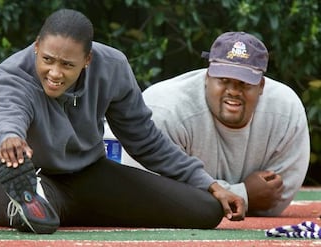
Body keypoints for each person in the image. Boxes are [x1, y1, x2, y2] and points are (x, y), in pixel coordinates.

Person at [0, 9, 245, 234]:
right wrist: (9, 137)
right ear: (36, 47)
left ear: (87, 60)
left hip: (89, 176)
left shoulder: (112, 67)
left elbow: (146, 140)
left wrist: (209, 184)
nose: (54, 72)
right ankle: (32, 197)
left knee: (206, 210)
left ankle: (54, 210)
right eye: (47, 60)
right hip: (24, 173)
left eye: (67, 65)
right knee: (31, 208)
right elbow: (7, 113)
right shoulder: (13, 73)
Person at [124, 31, 310, 217]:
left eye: (245, 83)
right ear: (207, 77)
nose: (234, 91)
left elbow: (274, 200)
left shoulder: (287, 111)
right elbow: (150, 193)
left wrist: (204, 197)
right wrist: (244, 195)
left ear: (261, 86)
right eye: (224, 80)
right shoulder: (164, 108)